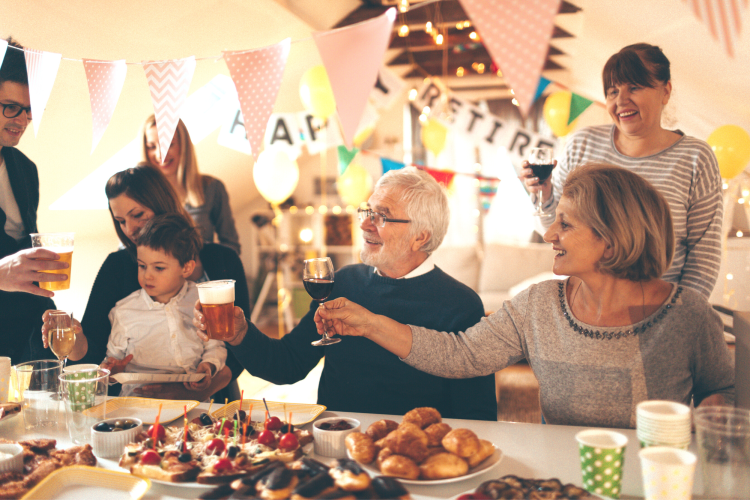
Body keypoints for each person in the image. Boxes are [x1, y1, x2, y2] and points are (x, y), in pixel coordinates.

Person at [316, 164, 734, 429]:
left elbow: (723, 388)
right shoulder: (539, 306)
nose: (550, 234)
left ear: (611, 241)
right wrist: (368, 322)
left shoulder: (688, 316)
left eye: (565, 225)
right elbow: (458, 355)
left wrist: (714, 418)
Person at [193, 167, 497, 420]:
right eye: (368, 211)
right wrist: (239, 334)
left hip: (415, 458)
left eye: (382, 216)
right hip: (337, 443)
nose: (364, 224)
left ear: (421, 237)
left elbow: (478, 415)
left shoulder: (461, 305)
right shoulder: (344, 282)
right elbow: (287, 364)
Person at [521, 43, 722, 299]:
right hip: (586, 306)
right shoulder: (582, 144)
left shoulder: (695, 158)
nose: (621, 101)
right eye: (612, 91)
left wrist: (678, 315)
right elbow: (555, 231)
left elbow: (704, 256)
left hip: (658, 306)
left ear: (666, 91)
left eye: (634, 88)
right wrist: (545, 195)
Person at [48, 165, 247, 401]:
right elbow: (96, 350)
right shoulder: (117, 266)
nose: (129, 229)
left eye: (138, 215)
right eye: (120, 220)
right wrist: (75, 336)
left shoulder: (223, 260)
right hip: (140, 403)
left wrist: (200, 388)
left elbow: (243, 345)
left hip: (214, 398)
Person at [99, 214, 226, 397]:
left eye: (158, 268)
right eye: (142, 266)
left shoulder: (204, 300)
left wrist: (208, 366)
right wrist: (112, 371)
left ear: (186, 268)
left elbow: (215, 346)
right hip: (137, 403)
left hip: (190, 401)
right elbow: (112, 363)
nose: (147, 276)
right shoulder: (124, 311)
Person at [0, 37, 65, 363]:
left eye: (29, 110)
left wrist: (53, 315)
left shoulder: (25, 169)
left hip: (23, 346)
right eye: (10, 107)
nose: (22, 120)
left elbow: (25, 260)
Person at [140, 116, 241, 254]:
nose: (160, 154)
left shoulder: (212, 188)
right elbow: (126, 249)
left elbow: (231, 246)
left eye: (168, 144)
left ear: (183, 145)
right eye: (152, 147)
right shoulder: (139, 195)